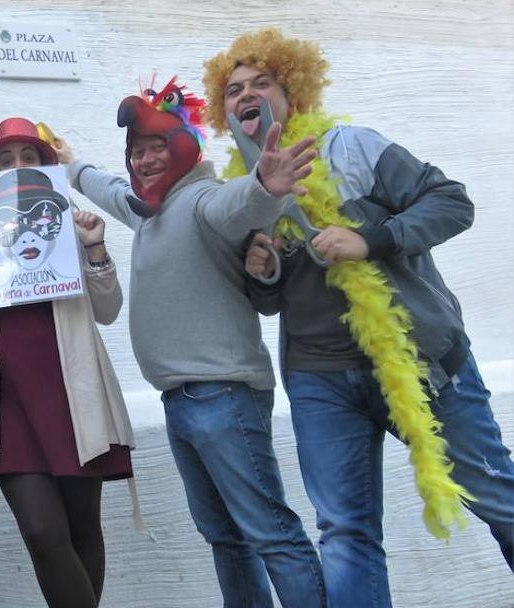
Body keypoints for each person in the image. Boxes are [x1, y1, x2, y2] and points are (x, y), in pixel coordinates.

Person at [205, 28, 514, 606]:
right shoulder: (241, 191)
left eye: (260, 82)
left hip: (421, 362)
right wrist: (263, 269)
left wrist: (371, 238)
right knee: (344, 533)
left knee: (497, 498)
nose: (245, 94)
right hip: (320, 380)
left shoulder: (350, 147)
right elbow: (270, 300)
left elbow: (452, 201)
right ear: (225, 112)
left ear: (290, 91)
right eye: (233, 89)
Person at [58, 81, 327, 606]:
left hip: (223, 397)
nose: (145, 159)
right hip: (181, 402)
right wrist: (70, 163)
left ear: (186, 145)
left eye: (157, 147)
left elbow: (238, 205)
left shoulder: (202, 199)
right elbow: (110, 188)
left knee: (271, 535)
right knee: (225, 538)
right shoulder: (150, 211)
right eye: (137, 151)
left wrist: (265, 188)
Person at [0, 117, 135, 608]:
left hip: (74, 394)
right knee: (43, 532)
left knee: (83, 528)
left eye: (28, 158)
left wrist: (96, 248)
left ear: (47, 168)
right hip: (7, 401)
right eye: (6, 161)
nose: (17, 168)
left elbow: (108, 312)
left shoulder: (72, 227)